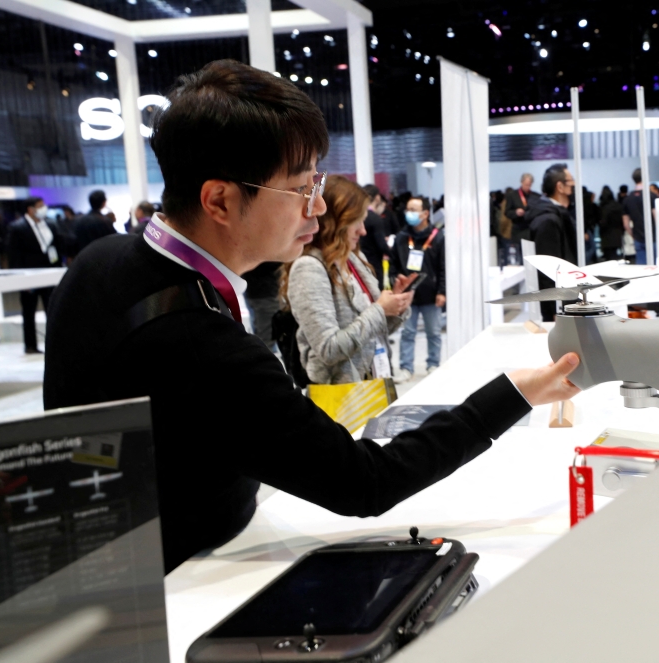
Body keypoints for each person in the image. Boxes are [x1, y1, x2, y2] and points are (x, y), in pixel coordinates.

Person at [42, 59, 581, 573]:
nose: (318, 208)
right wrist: (513, 393)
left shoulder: (102, 262)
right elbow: (367, 483)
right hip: (185, 585)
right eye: (302, 189)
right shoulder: (200, 343)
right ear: (220, 201)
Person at [287, 176, 412, 384]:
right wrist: (380, 310)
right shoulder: (309, 268)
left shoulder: (354, 259)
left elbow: (374, 330)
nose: (363, 231)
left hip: (374, 381)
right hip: (341, 395)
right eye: (357, 221)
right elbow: (328, 348)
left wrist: (395, 307)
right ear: (337, 221)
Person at [389, 195, 446, 383]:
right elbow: (394, 265)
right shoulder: (402, 238)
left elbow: (443, 267)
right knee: (407, 333)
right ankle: (406, 367)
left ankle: (433, 364)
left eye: (413, 210)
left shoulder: (438, 238)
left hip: (431, 295)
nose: (409, 213)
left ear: (425, 214)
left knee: (434, 332)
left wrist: (442, 291)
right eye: (408, 209)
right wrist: (394, 284)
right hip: (408, 295)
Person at [6, 197, 64, 354]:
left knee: (52, 310)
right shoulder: (17, 228)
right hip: (29, 277)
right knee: (29, 312)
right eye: (40, 206)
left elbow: (56, 249)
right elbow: (14, 256)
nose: (43, 208)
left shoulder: (50, 224)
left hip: (50, 275)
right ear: (30, 209)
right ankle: (30, 345)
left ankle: (55, 344)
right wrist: (21, 281)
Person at [525, 163, 578, 321]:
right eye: (571, 182)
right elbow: (547, 269)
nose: (574, 186)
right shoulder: (548, 220)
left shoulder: (556, 215)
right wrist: (554, 307)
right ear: (560, 187)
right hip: (559, 306)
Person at [359, 184, 393, 289]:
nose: (362, 231)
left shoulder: (360, 215)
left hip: (360, 260)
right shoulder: (375, 218)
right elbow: (381, 245)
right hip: (374, 262)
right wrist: (392, 253)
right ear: (377, 197)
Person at [623, 168, 655, 265]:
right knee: (656, 266)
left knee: (641, 268)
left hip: (638, 237)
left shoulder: (627, 199)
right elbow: (657, 218)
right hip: (653, 238)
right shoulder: (651, 196)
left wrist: (634, 235)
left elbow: (626, 224)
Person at [73, 189, 116, 254]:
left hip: (83, 257)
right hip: (101, 257)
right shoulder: (104, 221)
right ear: (104, 202)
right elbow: (113, 241)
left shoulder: (79, 221)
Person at [504, 173, 539, 242]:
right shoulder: (512, 195)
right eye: (526, 185)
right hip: (518, 229)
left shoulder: (536, 196)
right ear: (521, 182)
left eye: (530, 185)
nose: (528, 187)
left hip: (531, 229)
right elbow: (507, 212)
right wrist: (516, 212)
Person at [598, 185, 624, 260]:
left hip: (606, 234)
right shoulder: (618, 205)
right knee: (615, 255)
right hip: (617, 233)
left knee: (609, 257)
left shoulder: (604, 207)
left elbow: (603, 221)